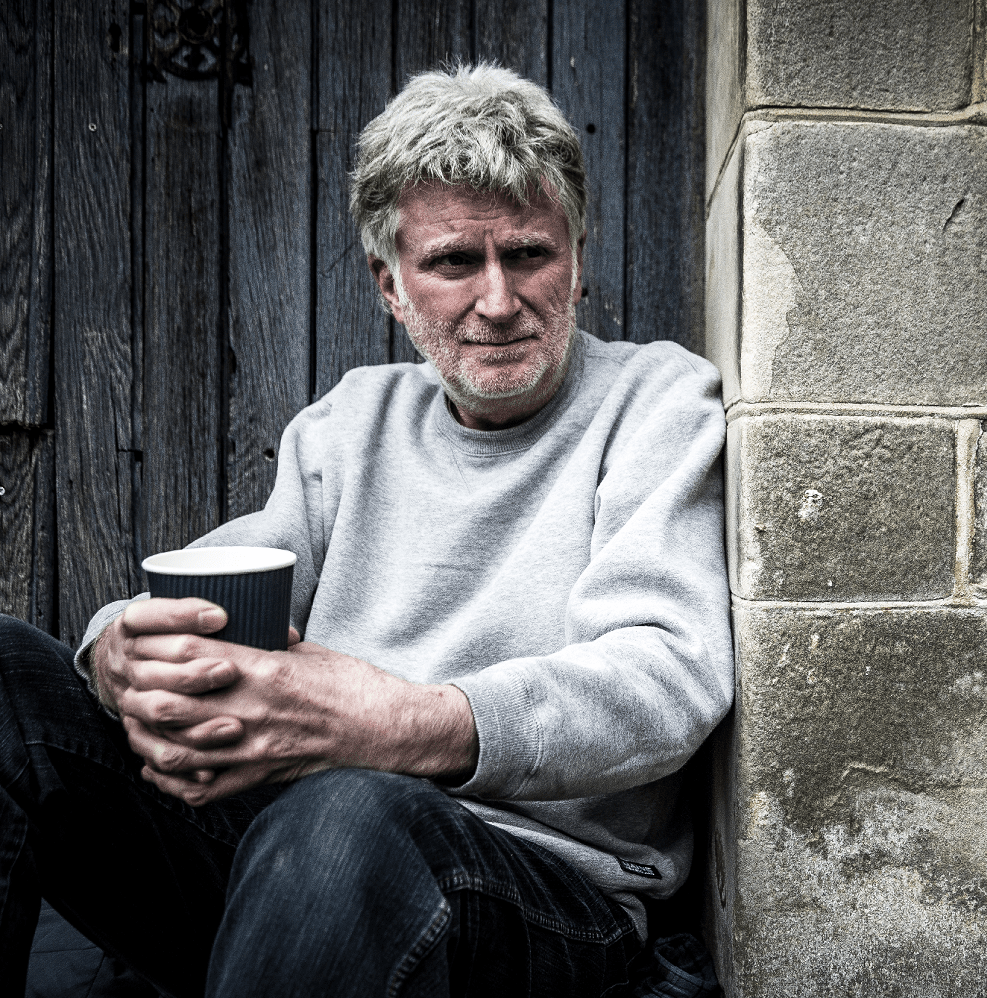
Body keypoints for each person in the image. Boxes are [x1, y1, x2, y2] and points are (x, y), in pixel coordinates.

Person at [0, 63, 732, 997]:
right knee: (13, 679)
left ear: (578, 263)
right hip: (295, 866)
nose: (499, 301)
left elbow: (667, 678)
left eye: (530, 255)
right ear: (392, 288)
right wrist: (114, 652)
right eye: (454, 263)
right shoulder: (353, 420)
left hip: (537, 890)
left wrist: (392, 722)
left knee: (347, 812)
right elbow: (219, 578)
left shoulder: (656, 399)